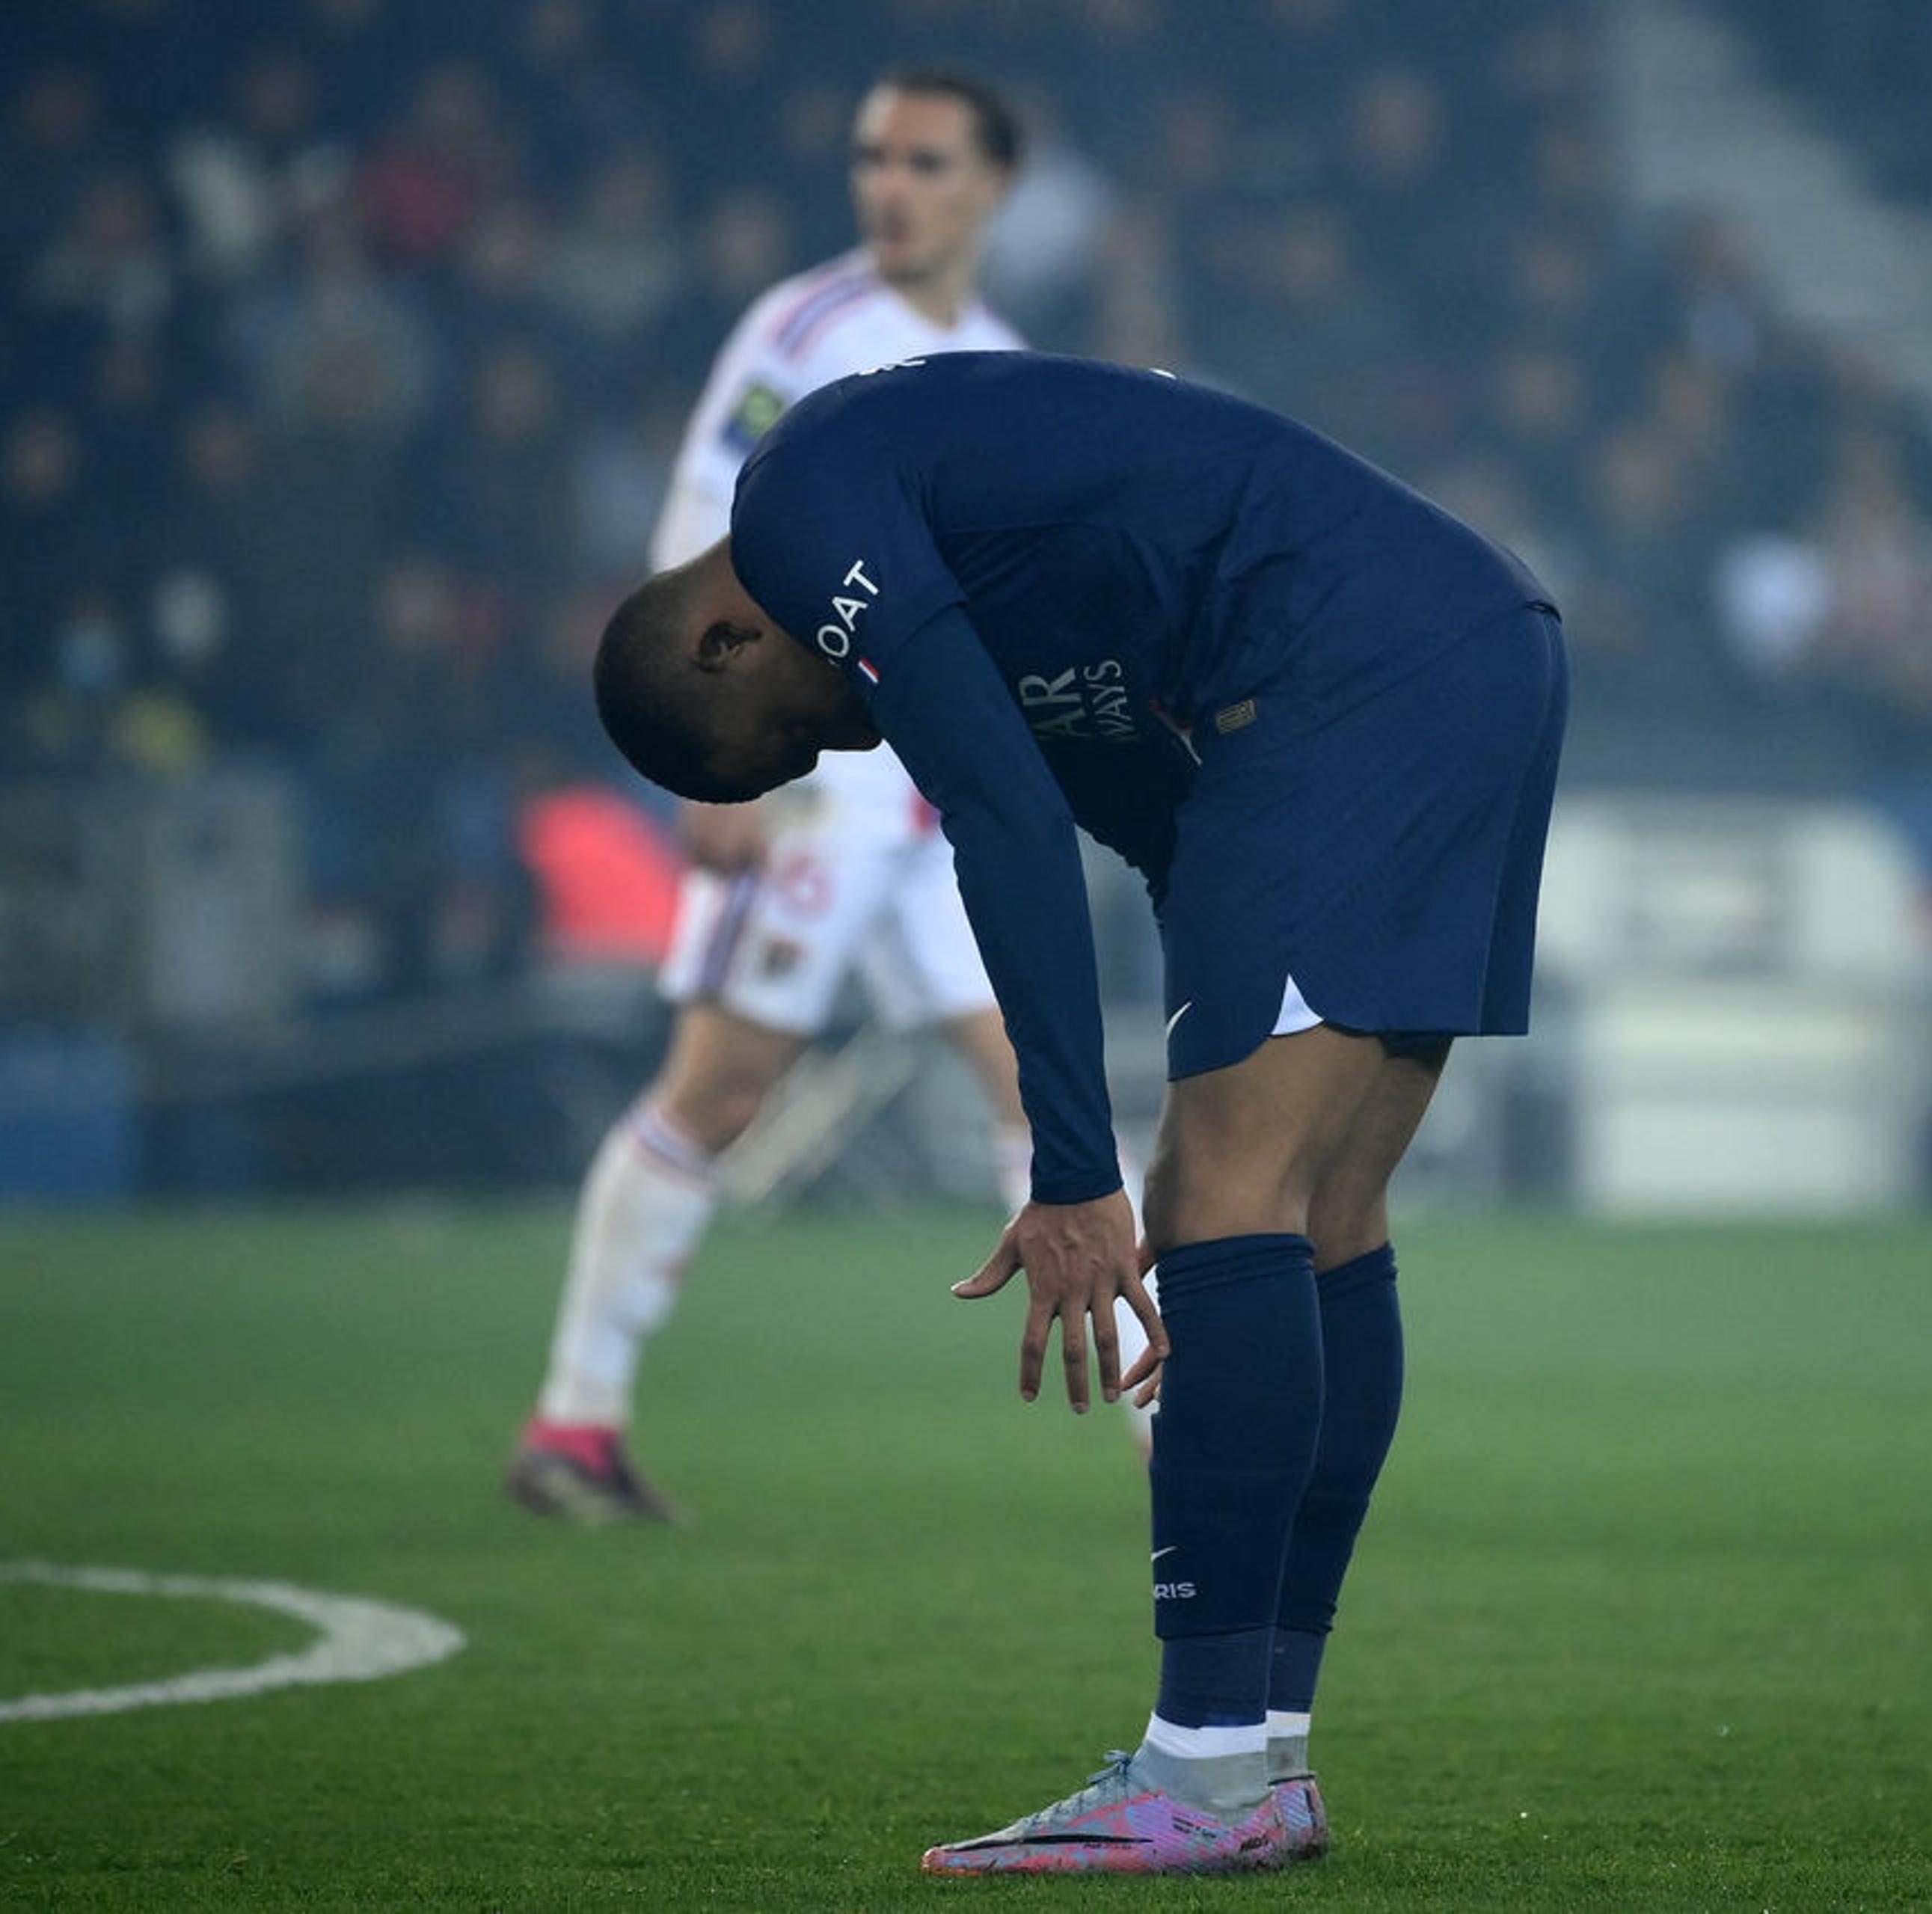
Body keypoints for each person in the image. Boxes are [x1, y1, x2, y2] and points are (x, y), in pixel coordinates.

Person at [590, 352, 1568, 1874]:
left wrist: (1069, 1171)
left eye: (785, 738)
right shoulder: (978, 573)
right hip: (1462, 645)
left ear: (726, 634)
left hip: (1346, 674)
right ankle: (1268, 1756)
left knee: (1215, 1198)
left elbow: (1003, 817)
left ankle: (1200, 1774)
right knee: (1319, 1215)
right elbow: (1137, 817)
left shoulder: (800, 507)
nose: (837, 749)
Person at [506, 70, 1078, 1524]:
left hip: (930, 794)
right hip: (809, 777)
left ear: (994, 185)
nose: (890, 185)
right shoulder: (806, 330)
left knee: (1040, 1083)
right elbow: (701, 517)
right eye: (872, 157)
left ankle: (1172, 1444)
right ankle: (574, 1425)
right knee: (724, 1087)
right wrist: (708, 744)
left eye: (926, 161)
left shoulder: (1001, 354)